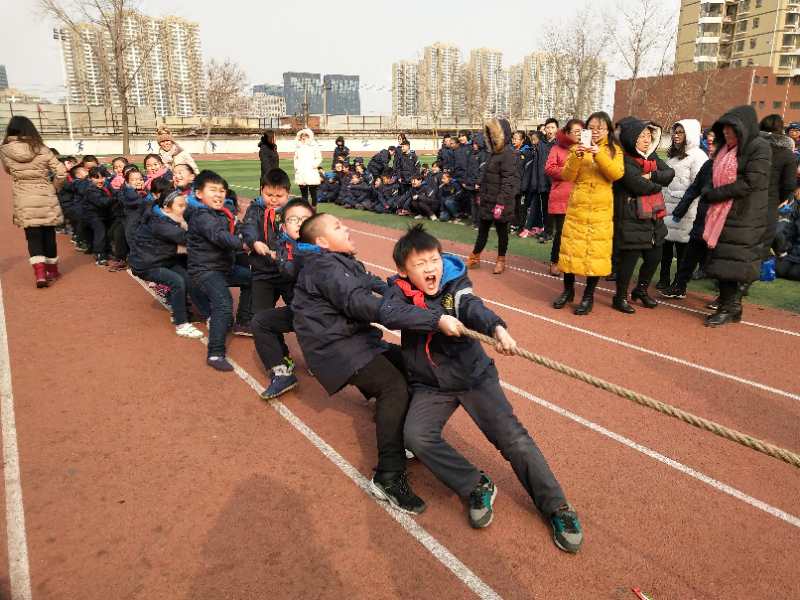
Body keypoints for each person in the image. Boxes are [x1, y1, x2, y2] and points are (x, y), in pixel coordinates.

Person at [383, 225, 583, 552]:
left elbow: (471, 306)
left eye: (433, 260)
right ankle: (476, 484)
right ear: (404, 271)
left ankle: (557, 506)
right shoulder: (397, 292)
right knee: (416, 436)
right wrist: (435, 321)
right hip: (432, 384)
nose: (430, 268)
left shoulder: (454, 285)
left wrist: (497, 328)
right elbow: (392, 314)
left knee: (514, 440)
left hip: (473, 377)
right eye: (420, 265)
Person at [291, 213, 454, 514]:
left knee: (412, 366)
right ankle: (388, 476)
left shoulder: (341, 261)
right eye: (338, 226)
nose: (347, 227)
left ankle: (396, 427)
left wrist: (403, 290)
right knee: (394, 387)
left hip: (355, 339)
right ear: (322, 242)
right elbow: (362, 303)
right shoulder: (324, 266)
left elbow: (375, 285)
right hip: (336, 348)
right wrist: (431, 318)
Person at [702, 105, 770, 327]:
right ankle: (731, 306)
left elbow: (750, 183)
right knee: (724, 261)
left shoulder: (759, 147)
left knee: (731, 264)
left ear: (744, 128)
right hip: (724, 214)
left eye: (731, 129)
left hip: (744, 215)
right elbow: (714, 175)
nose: (726, 133)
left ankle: (729, 307)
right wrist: (709, 191)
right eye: (725, 129)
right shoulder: (726, 149)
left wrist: (714, 195)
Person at [553, 111, 624, 315]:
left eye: (600, 128)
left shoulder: (614, 150)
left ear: (608, 130)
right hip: (577, 208)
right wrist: (577, 155)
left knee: (596, 255)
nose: (595, 132)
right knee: (569, 252)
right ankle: (568, 291)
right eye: (591, 128)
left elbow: (616, 174)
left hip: (601, 211)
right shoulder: (576, 148)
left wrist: (597, 153)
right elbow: (567, 175)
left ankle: (588, 296)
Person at [187, 170, 253, 370]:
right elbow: (219, 236)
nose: (219, 194)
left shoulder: (222, 212)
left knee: (252, 278)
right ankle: (215, 353)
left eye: (222, 190)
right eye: (213, 190)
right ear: (199, 194)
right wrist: (243, 245)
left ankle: (242, 321)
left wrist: (248, 237)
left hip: (223, 267)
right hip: (205, 270)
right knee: (223, 304)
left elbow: (239, 227)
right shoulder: (201, 215)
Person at [252, 199, 315, 399]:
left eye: (305, 219)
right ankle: (281, 371)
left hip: (328, 312)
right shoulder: (284, 247)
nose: (299, 223)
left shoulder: (327, 244)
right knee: (260, 321)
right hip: (305, 308)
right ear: (283, 226)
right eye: (293, 219)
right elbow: (289, 270)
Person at [611, 119, 675, 314]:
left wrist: (651, 176)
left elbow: (670, 173)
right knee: (629, 259)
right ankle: (620, 296)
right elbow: (639, 185)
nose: (646, 140)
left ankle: (641, 290)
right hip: (631, 216)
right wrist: (655, 181)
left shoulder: (652, 155)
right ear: (632, 138)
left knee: (655, 255)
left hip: (654, 215)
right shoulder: (623, 158)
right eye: (641, 136)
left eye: (649, 135)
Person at [0, 116, 67, 287]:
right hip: (45, 193)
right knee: (49, 234)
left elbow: (8, 170)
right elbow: (61, 172)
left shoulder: (5, 149)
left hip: (23, 196)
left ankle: (40, 275)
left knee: (33, 237)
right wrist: (54, 187)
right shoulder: (42, 148)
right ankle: (52, 271)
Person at [129, 191, 205, 339]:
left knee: (187, 278)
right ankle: (181, 324)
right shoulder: (160, 223)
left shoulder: (165, 217)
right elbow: (186, 239)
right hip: (146, 264)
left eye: (185, 205)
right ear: (167, 208)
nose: (185, 209)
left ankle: (195, 313)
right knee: (177, 282)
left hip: (162, 259)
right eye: (180, 205)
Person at [467, 118, 520, 276]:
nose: (490, 137)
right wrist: (481, 195)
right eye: (488, 134)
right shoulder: (492, 153)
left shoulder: (508, 154)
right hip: (487, 199)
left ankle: (501, 260)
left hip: (500, 202)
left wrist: (501, 204)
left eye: (493, 133)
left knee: (502, 232)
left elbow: (508, 181)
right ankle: (475, 256)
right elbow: (486, 176)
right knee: (482, 230)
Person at [659, 119, 708, 290]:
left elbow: (698, 185)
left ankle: (678, 283)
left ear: (690, 135)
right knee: (665, 247)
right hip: (667, 208)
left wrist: (680, 198)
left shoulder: (699, 157)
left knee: (682, 250)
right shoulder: (673, 154)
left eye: (680, 132)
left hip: (685, 211)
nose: (676, 135)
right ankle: (663, 279)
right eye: (675, 132)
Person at [242, 168, 292, 315]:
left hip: (288, 272)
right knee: (260, 317)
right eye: (269, 194)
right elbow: (248, 228)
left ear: (287, 194)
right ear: (261, 191)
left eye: (279, 195)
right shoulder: (255, 210)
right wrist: (254, 242)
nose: (274, 199)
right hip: (262, 272)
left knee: (302, 313)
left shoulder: (293, 212)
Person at [543, 119, 582, 276]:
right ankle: (555, 261)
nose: (579, 134)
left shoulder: (586, 148)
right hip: (562, 196)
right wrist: (568, 171)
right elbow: (549, 168)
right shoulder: (557, 148)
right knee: (561, 233)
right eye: (576, 131)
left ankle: (571, 261)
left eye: (582, 131)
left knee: (576, 233)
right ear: (567, 132)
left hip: (581, 198)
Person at [759, 115, 797, 259]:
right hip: (770, 201)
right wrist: (780, 198)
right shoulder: (787, 154)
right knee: (763, 240)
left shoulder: (750, 148)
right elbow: (789, 184)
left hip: (746, 198)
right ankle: (745, 278)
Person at [525, 118, 558, 241]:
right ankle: (546, 231)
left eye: (552, 127)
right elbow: (536, 164)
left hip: (554, 182)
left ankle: (551, 232)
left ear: (557, 129)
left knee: (553, 208)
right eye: (547, 128)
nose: (550, 130)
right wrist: (535, 181)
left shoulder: (559, 144)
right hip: (542, 181)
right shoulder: (541, 144)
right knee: (544, 208)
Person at [293, 128, 322, 206]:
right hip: (301, 172)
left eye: (305, 135)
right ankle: (305, 209)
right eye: (302, 135)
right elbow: (296, 158)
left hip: (311, 172)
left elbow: (319, 158)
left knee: (313, 193)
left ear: (309, 136)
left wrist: (313, 165)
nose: (303, 137)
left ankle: (314, 209)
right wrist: (297, 166)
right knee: (304, 194)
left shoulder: (314, 145)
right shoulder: (298, 146)